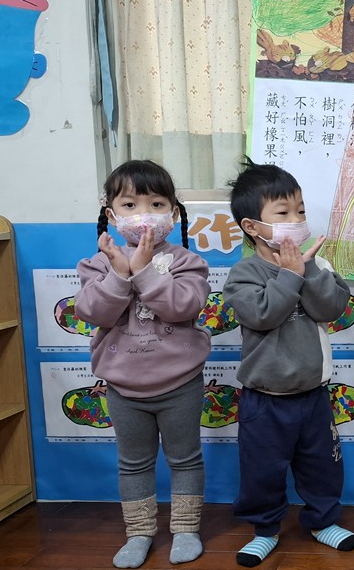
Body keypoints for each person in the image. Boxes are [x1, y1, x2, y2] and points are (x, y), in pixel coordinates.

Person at [74, 160, 210, 569]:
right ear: (112, 215)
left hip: (180, 382)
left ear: (173, 212)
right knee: (133, 463)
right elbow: (92, 312)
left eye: (156, 204)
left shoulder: (186, 261)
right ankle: (139, 533)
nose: (144, 215)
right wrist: (119, 274)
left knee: (185, 458)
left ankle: (185, 529)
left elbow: (183, 307)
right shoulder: (98, 264)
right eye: (130, 205)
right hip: (123, 387)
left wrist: (145, 272)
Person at [223, 159, 354, 567]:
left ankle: (322, 521)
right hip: (264, 400)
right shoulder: (243, 274)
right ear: (252, 226)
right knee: (261, 471)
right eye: (282, 213)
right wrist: (290, 276)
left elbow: (330, 308)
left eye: (299, 210)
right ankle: (265, 529)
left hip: (313, 396)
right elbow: (262, 314)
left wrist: (308, 269)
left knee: (322, 467)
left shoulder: (318, 264)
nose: (296, 220)